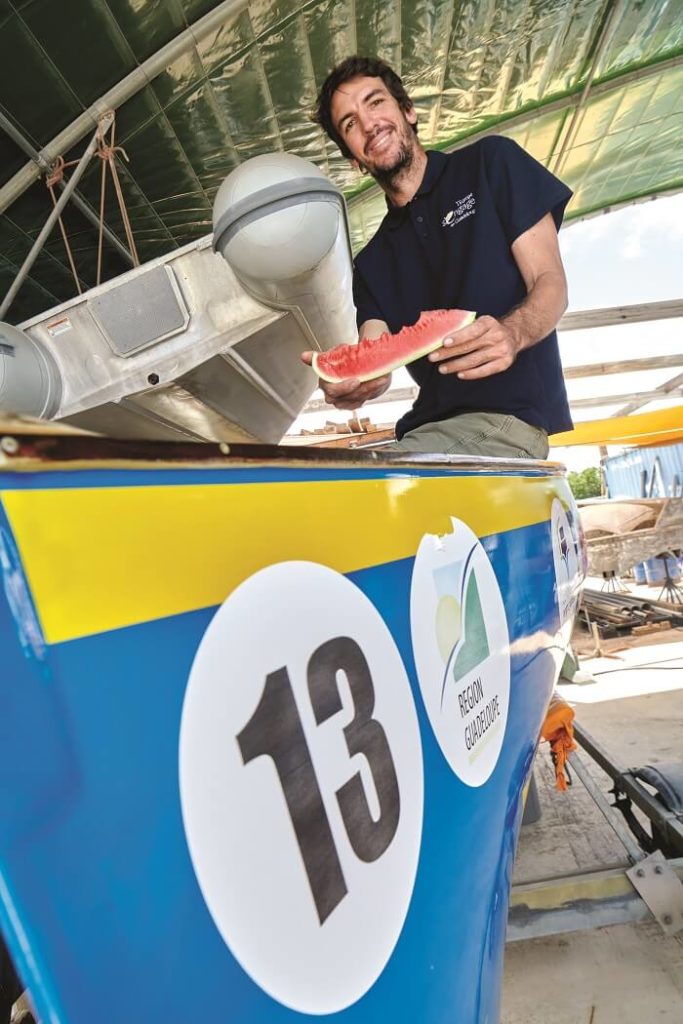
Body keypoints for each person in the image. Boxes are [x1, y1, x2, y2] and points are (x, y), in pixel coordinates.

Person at [302, 55, 574, 458]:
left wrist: (512, 334)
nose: (368, 123)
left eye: (375, 102)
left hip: (506, 420)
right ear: (354, 159)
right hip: (425, 430)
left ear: (408, 111)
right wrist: (356, 382)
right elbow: (375, 354)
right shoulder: (371, 262)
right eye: (349, 123)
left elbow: (550, 282)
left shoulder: (491, 163)